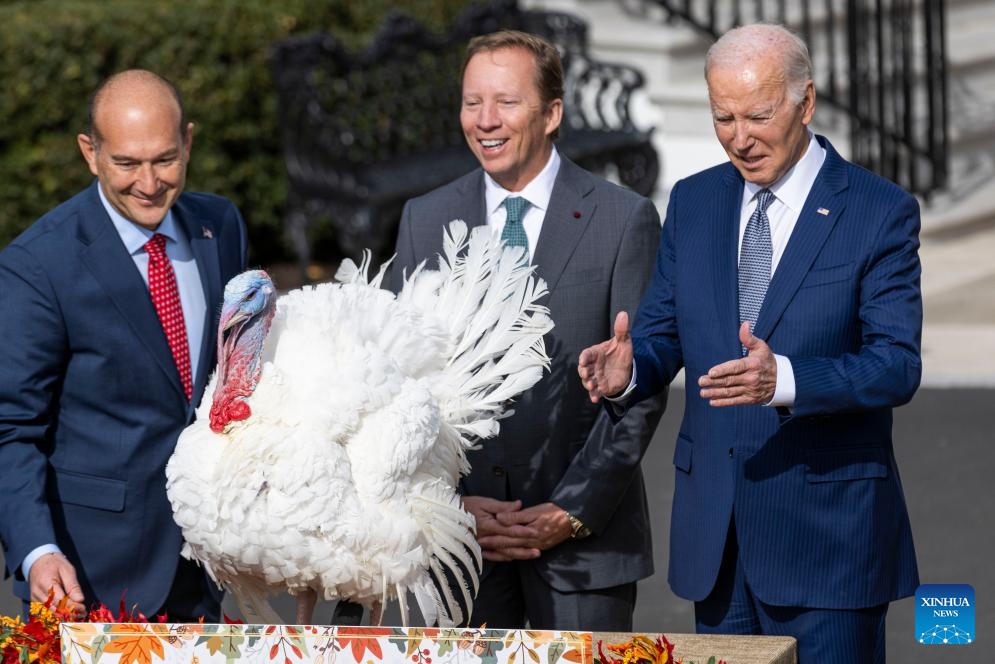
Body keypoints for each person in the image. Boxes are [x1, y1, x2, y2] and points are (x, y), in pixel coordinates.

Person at [578, 23, 921, 662]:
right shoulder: (694, 201)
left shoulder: (879, 211)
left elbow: (895, 365)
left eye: (759, 115)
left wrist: (784, 380)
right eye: (723, 117)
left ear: (806, 103)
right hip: (719, 541)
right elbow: (659, 335)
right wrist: (627, 370)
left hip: (829, 542)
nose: (740, 137)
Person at [388, 30, 666, 631]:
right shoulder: (424, 220)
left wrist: (568, 513)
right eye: (472, 102)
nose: (485, 120)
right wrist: (448, 509)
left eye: (507, 102)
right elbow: (392, 384)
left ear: (552, 114)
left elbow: (640, 393)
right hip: (458, 549)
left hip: (582, 554)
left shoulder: (623, 220)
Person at [0, 70, 248, 621]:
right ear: (90, 153)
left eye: (164, 159)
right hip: (86, 583)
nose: (149, 182)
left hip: (206, 569)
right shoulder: (39, 265)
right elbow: (11, 428)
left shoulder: (221, 226)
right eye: (126, 163)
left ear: (188, 140)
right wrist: (38, 551)